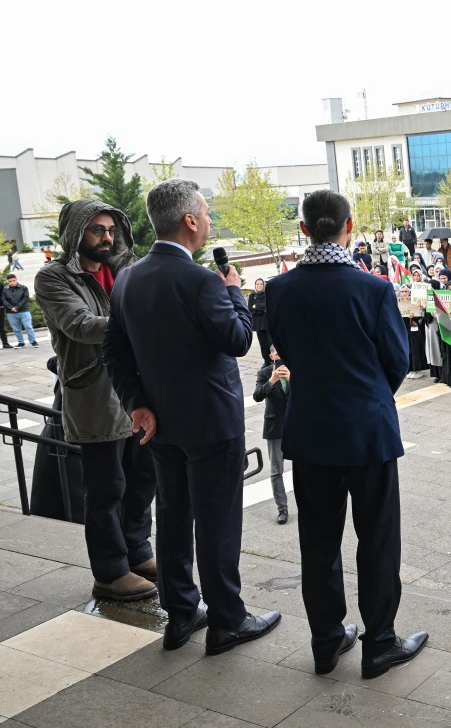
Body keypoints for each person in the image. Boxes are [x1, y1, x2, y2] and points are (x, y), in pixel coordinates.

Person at [102, 179, 279, 653]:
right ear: (189, 220)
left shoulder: (129, 279)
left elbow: (113, 349)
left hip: (159, 421)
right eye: (206, 211)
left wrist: (136, 403)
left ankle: (181, 614)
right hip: (211, 423)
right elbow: (239, 340)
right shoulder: (202, 280)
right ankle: (228, 620)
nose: (210, 219)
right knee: (218, 523)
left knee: (174, 517)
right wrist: (237, 292)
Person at [265, 190, 426, 677]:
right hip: (367, 430)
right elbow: (397, 361)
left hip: (311, 428)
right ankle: (379, 642)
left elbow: (285, 350)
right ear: (348, 226)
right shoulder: (372, 288)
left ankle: (326, 640)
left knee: (316, 540)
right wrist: (369, 395)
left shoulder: (278, 289)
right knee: (376, 537)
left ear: (304, 229)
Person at [35, 198, 157, 602]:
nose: (107, 238)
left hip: (137, 393)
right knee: (107, 490)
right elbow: (80, 325)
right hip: (96, 395)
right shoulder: (53, 278)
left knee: (143, 480)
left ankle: (138, 553)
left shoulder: (125, 270)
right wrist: (144, 322)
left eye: (110, 230)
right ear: (77, 234)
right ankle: (109, 572)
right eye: (97, 230)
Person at [252, 344, 291, 525]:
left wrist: (292, 380)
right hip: (274, 426)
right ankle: (282, 509)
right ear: (271, 356)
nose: (281, 355)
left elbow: (308, 393)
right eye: (277, 352)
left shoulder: (296, 369)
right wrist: (272, 381)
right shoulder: (264, 373)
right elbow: (257, 395)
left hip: (294, 426)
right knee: (276, 470)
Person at [2, 273, 37, 347]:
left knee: (28, 326)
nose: (12, 282)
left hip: (24, 310)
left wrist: (17, 307)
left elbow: (25, 298)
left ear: (16, 279)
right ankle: (21, 342)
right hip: (10, 312)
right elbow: (3, 299)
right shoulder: (5, 289)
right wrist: (11, 307)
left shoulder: (23, 288)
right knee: (16, 328)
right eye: (10, 281)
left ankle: (33, 341)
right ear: (8, 281)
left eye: (13, 280)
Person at [248, 278, 270, 363]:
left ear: (263, 285)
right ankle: (266, 361)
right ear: (255, 285)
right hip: (258, 324)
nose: (259, 286)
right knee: (263, 344)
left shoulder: (267, 294)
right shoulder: (252, 295)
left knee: (270, 343)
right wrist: (261, 307)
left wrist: (256, 306)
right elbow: (250, 309)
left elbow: (267, 307)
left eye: (261, 284)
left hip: (267, 323)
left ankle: (273, 361)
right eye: (257, 284)